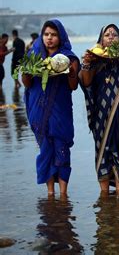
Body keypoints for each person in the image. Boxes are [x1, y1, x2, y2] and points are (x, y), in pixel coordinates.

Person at [79, 24, 119, 195]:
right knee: (102, 150)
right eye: (106, 35)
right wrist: (86, 63)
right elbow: (85, 83)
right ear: (101, 39)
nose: (110, 37)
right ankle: (104, 193)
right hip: (100, 114)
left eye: (114, 35)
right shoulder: (94, 59)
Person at [21, 19, 80, 195]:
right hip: (38, 110)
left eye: (53, 35)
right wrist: (26, 72)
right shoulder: (34, 56)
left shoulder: (69, 57)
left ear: (60, 36)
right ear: (42, 36)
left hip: (60, 111)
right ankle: (50, 192)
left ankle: (63, 193)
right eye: (46, 34)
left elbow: (73, 86)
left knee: (61, 149)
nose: (49, 38)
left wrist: (70, 73)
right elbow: (27, 83)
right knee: (45, 150)